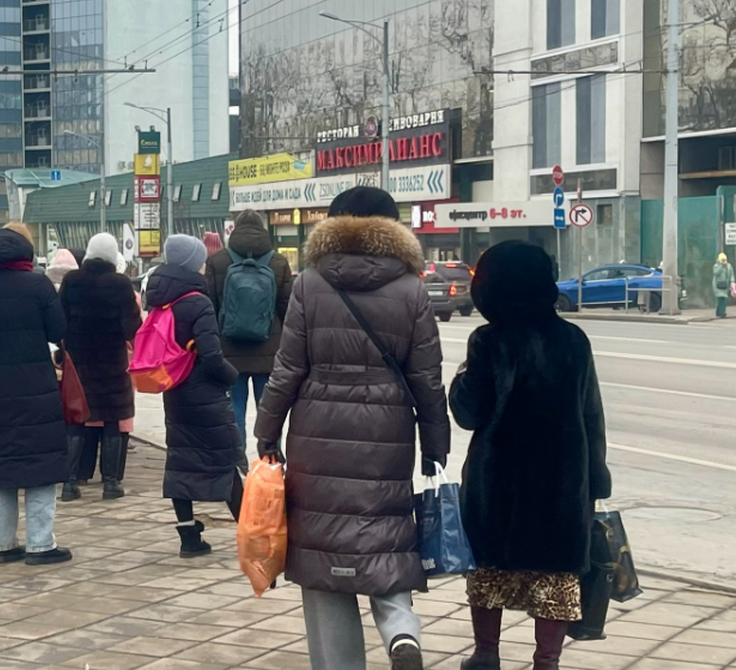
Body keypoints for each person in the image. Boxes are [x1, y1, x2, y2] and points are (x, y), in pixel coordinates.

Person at [253, 186, 450, 670]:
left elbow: (287, 368)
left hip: (316, 431)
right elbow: (427, 377)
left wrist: (266, 431)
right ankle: (401, 633)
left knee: (324, 552)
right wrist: (435, 444)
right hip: (387, 432)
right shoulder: (410, 287)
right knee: (383, 536)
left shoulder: (311, 283)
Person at [450, 241, 611, 670]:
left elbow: (469, 411)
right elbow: (591, 413)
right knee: (555, 575)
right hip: (562, 481)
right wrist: (597, 475)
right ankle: (547, 662)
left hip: (497, 479)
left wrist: (459, 380)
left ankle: (486, 654)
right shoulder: (574, 340)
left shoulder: (488, 341)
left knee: (489, 570)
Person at [0, 224, 71, 565]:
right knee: (40, 464)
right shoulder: (38, 284)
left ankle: (3, 544)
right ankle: (41, 544)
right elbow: (59, 330)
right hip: (36, 387)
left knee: (0, 467)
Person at [146, 234, 244, 557]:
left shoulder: (160, 299)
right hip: (205, 394)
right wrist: (231, 376)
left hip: (174, 391)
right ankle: (250, 535)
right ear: (192, 263)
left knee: (181, 462)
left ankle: (189, 539)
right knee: (226, 458)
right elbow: (211, 356)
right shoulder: (197, 302)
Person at [204, 210, 293, 469]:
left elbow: (210, 306)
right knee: (270, 410)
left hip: (229, 350)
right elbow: (287, 309)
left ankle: (237, 461)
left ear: (235, 230)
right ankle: (270, 458)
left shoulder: (218, 261)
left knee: (234, 408)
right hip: (269, 349)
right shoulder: (278, 262)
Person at [58, 233, 141, 502]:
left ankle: (69, 484)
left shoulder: (72, 281)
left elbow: (59, 322)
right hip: (112, 364)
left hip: (77, 362)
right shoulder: (120, 284)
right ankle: (110, 483)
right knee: (112, 420)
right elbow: (132, 328)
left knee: (75, 420)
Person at [713, 253, 734, 318]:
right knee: (720, 298)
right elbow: (716, 273)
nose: (724, 261)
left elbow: (731, 274)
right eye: (722, 260)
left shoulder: (729, 266)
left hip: (725, 285)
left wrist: (732, 282)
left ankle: (719, 312)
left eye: (724, 260)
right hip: (717, 285)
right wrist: (721, 266)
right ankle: (722, 313)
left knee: (723, 298)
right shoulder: (716, 266)